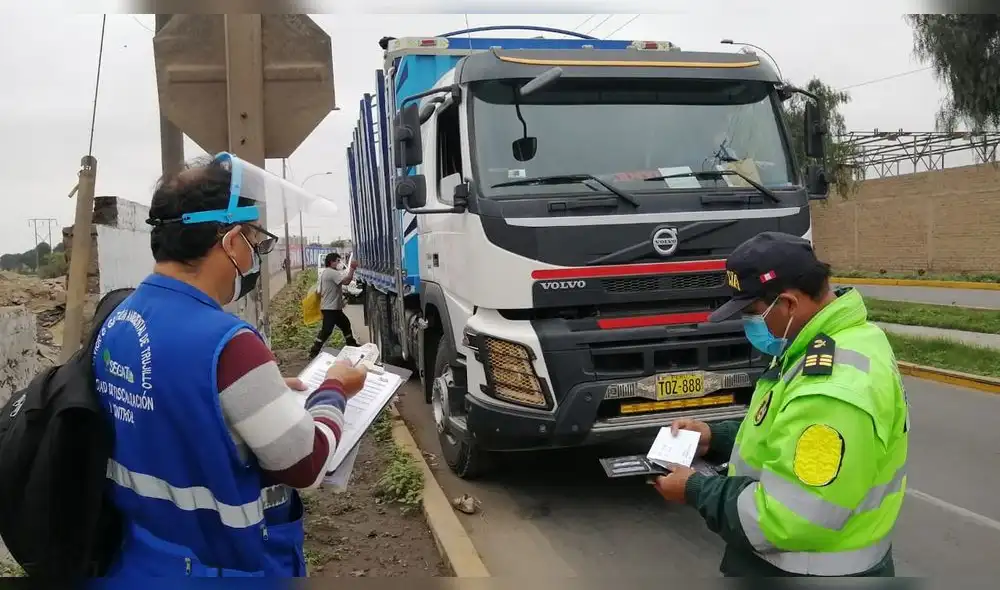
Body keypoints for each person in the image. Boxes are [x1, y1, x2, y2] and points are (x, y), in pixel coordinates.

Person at [91, 154, 369, 577]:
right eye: (258, 242)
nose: (257, 254)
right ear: (233, 240)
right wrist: (333, 388)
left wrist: (256, 396)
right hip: (222, 567)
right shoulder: (228, 343)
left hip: (138, 559)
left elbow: (176, 406)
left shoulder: (118, 319)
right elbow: (306, 465)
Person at [652, 231, 909, 577]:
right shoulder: (835, 339)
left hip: (810, 570)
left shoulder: (830, 390)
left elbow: (787, 518)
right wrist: (717, 436)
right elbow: (785, 428)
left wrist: (695, 489)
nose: (748, 324)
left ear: (788, 303)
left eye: (753, 312)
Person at [308, 252, 360, 358]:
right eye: (338, 261)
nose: (339, 263)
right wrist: (352, 269)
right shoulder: (332, 273)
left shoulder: (327, 272)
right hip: (330, 309)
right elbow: (346, 281)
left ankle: (352, 345)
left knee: (345, 325)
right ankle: (314, 352)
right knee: (326, 330)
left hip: (332, 308)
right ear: (331, 262)